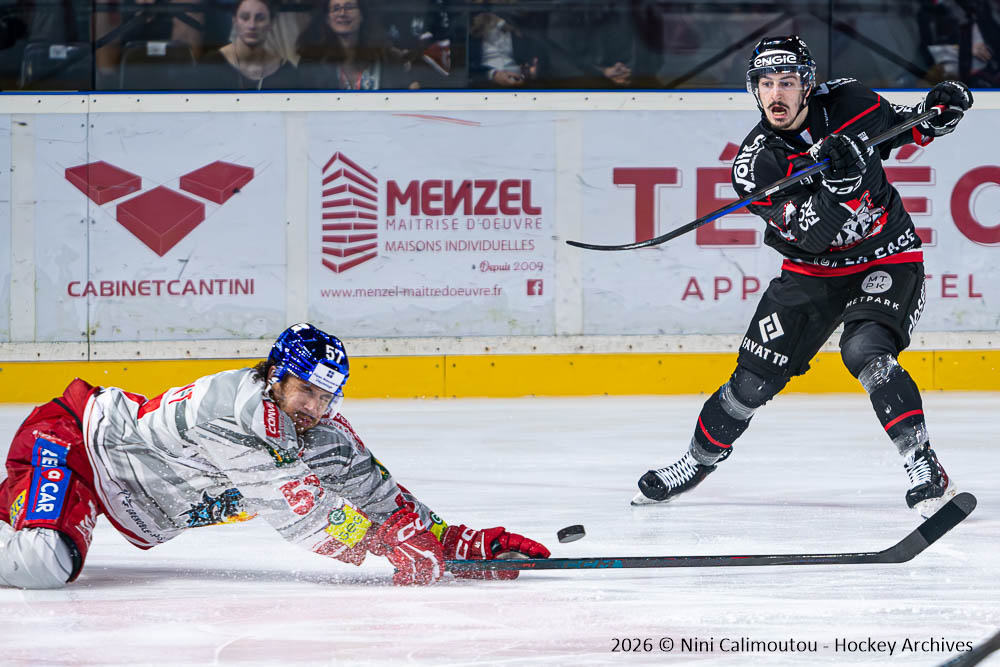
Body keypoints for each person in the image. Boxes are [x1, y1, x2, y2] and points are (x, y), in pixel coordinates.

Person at [631, 35, 974, 519]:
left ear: (807, 84)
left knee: (866, 351)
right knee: (750, 384)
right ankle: (695, 461)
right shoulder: (755, 165)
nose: (777, 94)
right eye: (766, 83)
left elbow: (900, 128)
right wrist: (841, 190)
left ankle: (923, 465)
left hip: (886, 256)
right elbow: (811, 237)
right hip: (810, 272)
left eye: (787, 82)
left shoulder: (851, 101)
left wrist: (936, 114)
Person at [0, 323, 549, 589]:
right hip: (77, 446)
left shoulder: (320, 426)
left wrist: (452, 540)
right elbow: (305, 516)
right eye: (304, 390)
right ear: (274, 376)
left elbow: (381, 496)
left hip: (124, 492)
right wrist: (391, 546)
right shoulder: (234, 413)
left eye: (325, 395)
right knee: (47, 561)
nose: (312, 406)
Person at [295, 0, 416, 90]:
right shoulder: (311, 60)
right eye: (336, 8)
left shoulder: (387, 57)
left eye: (349, 7)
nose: (342, 13)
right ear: (327, 19)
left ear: (362, 15)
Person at [197, 0, 298, 90]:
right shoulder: (211, 64)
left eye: (260, 19)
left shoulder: (285, 70)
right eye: (245, 18)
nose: (252, 25)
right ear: (234, 21)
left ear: (271, 23)